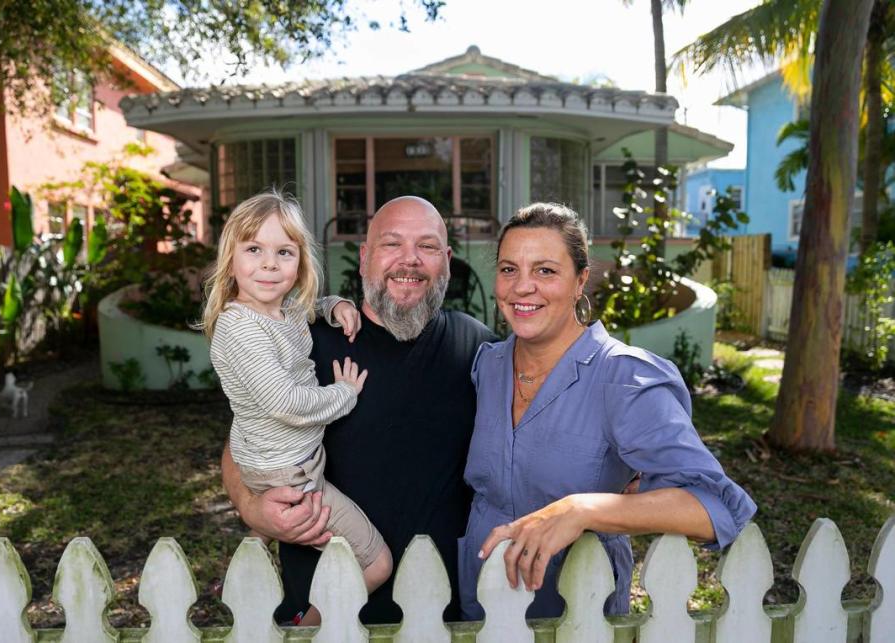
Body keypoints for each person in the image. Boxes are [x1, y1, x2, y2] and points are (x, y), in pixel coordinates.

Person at [459, 202, 757, 619]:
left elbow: (713, 506)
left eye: (545, 271)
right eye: (509, 269)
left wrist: (581, 509)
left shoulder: (623, 377)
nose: (522, 287)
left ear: (581, 280)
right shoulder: (486, 366)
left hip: (577, 612)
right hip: (480, 605)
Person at [221, 195, 497, 623]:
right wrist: (252, 508)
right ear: (366, 257)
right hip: (325, 618)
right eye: (392, 244)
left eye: (426, 246)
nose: (409, 261)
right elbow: (242, 440)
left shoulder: (476, 347)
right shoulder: (305, 338)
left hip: (444, 618)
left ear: (445, 260)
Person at [201, 192, 392, 626]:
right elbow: (288, 404)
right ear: (229, 258)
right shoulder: (238, 328)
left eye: (283, 252)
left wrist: (335, 306)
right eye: (254, 250)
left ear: (300, 262)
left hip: (272, 456)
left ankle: (255, 552)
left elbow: (303, 310)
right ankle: (305, 629)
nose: (269, 264)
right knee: (377, 564)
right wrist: (343, 393)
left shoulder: (276, 310)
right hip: (291, 473)